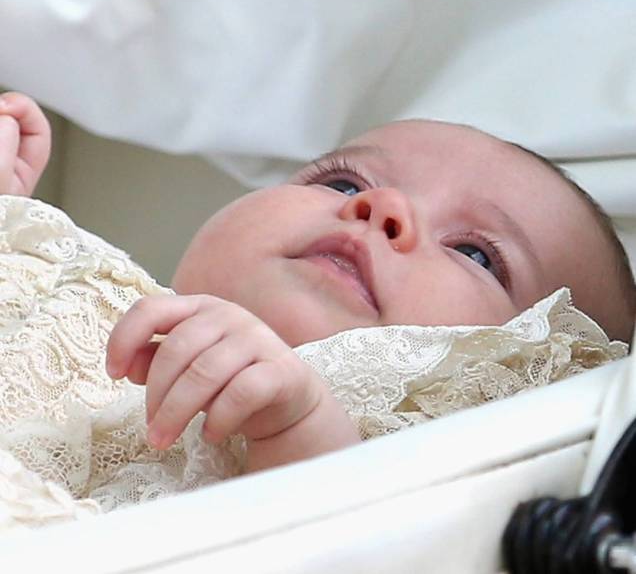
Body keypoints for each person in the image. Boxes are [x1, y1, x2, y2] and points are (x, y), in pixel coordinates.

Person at [0, 91, 634, 477]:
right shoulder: (89, 296)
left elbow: (336, 542)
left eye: (474, 252)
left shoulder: (383, 474)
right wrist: (14, 229)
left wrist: (296, 428)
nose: (384, 208)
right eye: (343, 184)